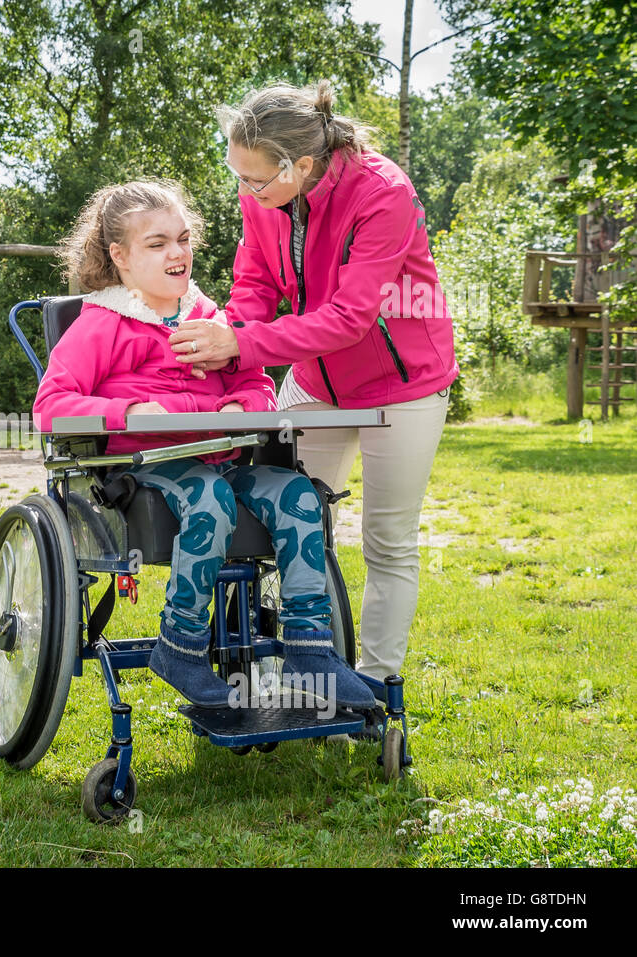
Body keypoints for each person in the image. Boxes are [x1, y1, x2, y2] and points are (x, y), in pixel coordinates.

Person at [31, 179, 376, 711]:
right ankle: (181, 646)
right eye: (158, 244)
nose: (177, 253)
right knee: (208, 497)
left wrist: (243, 404)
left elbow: (255, 380)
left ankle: (310, 650)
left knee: (299, 495)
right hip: (144, 466)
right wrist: (128, 412)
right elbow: (51, 405)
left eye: (184, 239)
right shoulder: (102, 323)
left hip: (222, 453)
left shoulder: (208, 317)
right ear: (119, 257)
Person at [170, 82, 459, 687]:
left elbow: (351, 318)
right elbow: (253, 285)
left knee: (386, 542)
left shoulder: (384, 193)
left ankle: (375, 686)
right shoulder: (263, 193)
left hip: (402, 388)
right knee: (279, 520)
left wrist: (243, 343)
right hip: (313, 381)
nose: (246, 192)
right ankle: (288, 664)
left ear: (301, 164)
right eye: (238, 178)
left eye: (255, 181)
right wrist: (228, 342)